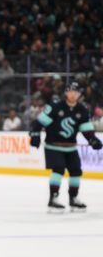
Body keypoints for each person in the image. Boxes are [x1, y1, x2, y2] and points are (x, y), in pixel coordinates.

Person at [29, 81, 102, 212]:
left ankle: (73, 199)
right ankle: (53, 199)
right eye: (70, 91)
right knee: (58, 169)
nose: (73, 94)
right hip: (53, 145)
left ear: (79, 94)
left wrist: (92, 139)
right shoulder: (56, 107)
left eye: (76, 92)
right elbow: (39, 123)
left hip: (71, 147)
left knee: (76, 171)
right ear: (66, 93)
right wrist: (35, 135)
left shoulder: (82, 110)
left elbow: (86, 129)